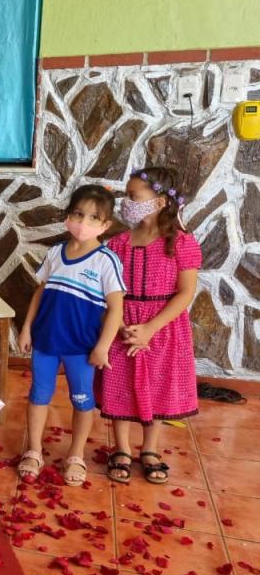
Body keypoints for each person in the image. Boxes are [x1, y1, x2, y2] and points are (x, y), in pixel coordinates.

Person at [16, 185, 125, 486]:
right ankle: (34, 449)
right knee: (39, 395)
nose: (83, 223)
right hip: (46, 343)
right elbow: (40, 293)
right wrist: (26, 328)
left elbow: (116, 309)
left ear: (106, 225)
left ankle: (76, 454)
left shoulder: (106, 261)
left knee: (82, 400)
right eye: (78, 214)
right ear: (68, 215)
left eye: (93, 218)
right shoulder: (55, 253)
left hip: (82, 348)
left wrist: (102, 347)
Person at [99, 167, 201, 485]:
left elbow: (185, 292)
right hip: (122, 321)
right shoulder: (117, 244)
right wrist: (120, 325)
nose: (126, 203)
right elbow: (109, 289)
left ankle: (151, 449)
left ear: (159, 202)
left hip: (163, 329)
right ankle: (122, 448)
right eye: (126, 196)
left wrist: (150, 328)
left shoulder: (181, 243)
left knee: (157, 385)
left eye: (134, 197)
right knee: (120, 383)